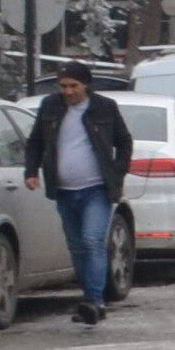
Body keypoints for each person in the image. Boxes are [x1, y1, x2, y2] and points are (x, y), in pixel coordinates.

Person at [24, 59, 132, 328]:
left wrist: (117, 173)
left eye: (74, 86)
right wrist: (31, 171)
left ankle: (95, 300)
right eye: (63, 86)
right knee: (77, 247)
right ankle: (89, 300)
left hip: (97, 188)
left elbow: (124, 142)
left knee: (93, 241)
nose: (68, 91)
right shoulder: (50, 106)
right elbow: (35, 140)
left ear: (86, 84)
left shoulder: (104, 107)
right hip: (63, 190)